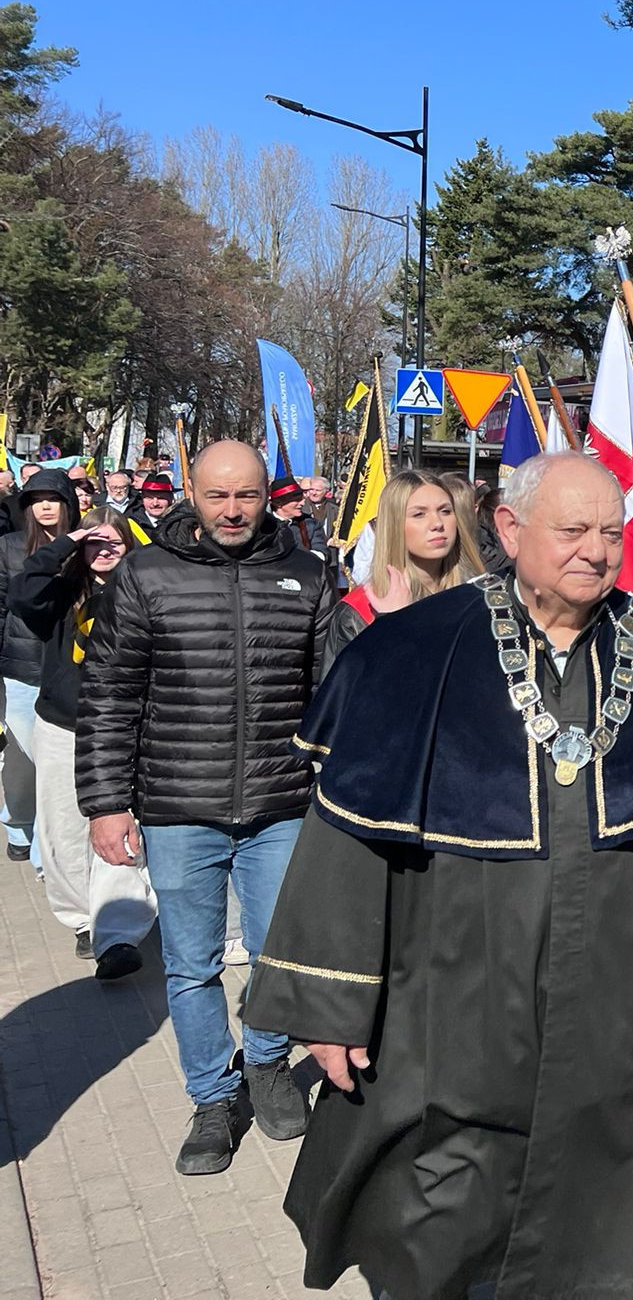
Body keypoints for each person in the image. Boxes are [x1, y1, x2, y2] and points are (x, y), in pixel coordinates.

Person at [242, 452, 633, 1299]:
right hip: (451, 988)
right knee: (437, 1202)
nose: (597, 550)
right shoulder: (414, 652)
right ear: (509, 529)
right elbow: (348, 844)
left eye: (612, 532)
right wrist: (329, 1005)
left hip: (620, 988)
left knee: (605, 1192)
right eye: (573, 529)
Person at [76, 440, 334, 1175]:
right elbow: (109, 695)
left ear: (265, 495)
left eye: (246, 495)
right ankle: (213, 1097)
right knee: (191, 965)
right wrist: (106, 804)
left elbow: (330, 695)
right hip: (177, 806)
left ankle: (267, 1062)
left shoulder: (307, 574)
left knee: (279, 952)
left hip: (281, 804)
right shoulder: (147, 573)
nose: (232, 510)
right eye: (217, 495)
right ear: (192, 492)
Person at [8, 509, 157, 977]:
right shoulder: (62, 593)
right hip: (61, 724)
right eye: (95, 542)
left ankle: (119, 934)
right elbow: (23, 592)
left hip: (123, 727)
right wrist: (66, 542)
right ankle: (82, 920)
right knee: (63, 828)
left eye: (114, 542)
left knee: (119, 822)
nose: (104, 550)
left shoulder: (144, 593)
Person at [0, 468, 80, 862]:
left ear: (68, 503)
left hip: (66, 671)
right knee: (22, 761)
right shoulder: (9, 546)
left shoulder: (84, 543)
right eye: (36, 500)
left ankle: (47, 849)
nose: (45, 506)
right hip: (21, 670)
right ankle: (18, 825)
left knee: (54, 766)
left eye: (53, 499)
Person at [326, 470, 484, 665]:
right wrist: (392, 625)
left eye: (445, 511)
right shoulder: (356, 613)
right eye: (419, 514)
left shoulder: (480, 598)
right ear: (393, 524)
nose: (437, 523)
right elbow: (345, 684)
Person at [270, 475, 330, 561]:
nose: (302, 503)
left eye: (302, 499)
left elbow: (323, 553)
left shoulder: (310, 524)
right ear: (278, 503)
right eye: (297, 500)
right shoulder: (264, 525)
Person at [130, 471, 176, 540]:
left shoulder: (181, 523)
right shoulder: (130, 524)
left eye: (160, 498)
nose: (155, 503)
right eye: (149, 498)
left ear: (171, 498)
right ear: (142, 498)